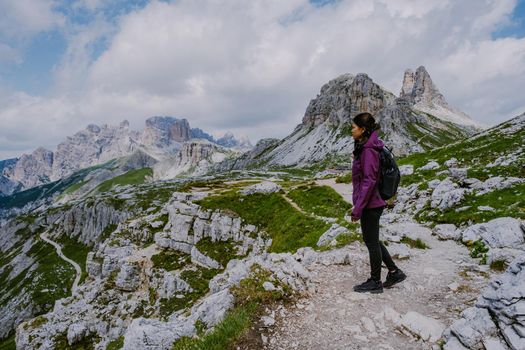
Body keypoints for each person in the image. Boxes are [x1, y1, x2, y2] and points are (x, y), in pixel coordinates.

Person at [350, 112, 406, 294]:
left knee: (371, 242)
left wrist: (358, 208)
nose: (352, 130)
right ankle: (394, 272)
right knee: (372, 239)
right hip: (372, 202)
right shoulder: (368, 145)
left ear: (363, 129)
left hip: (371, 204)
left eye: (354, 127)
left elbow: (369, 180)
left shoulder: (368, 150)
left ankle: (375, 281)